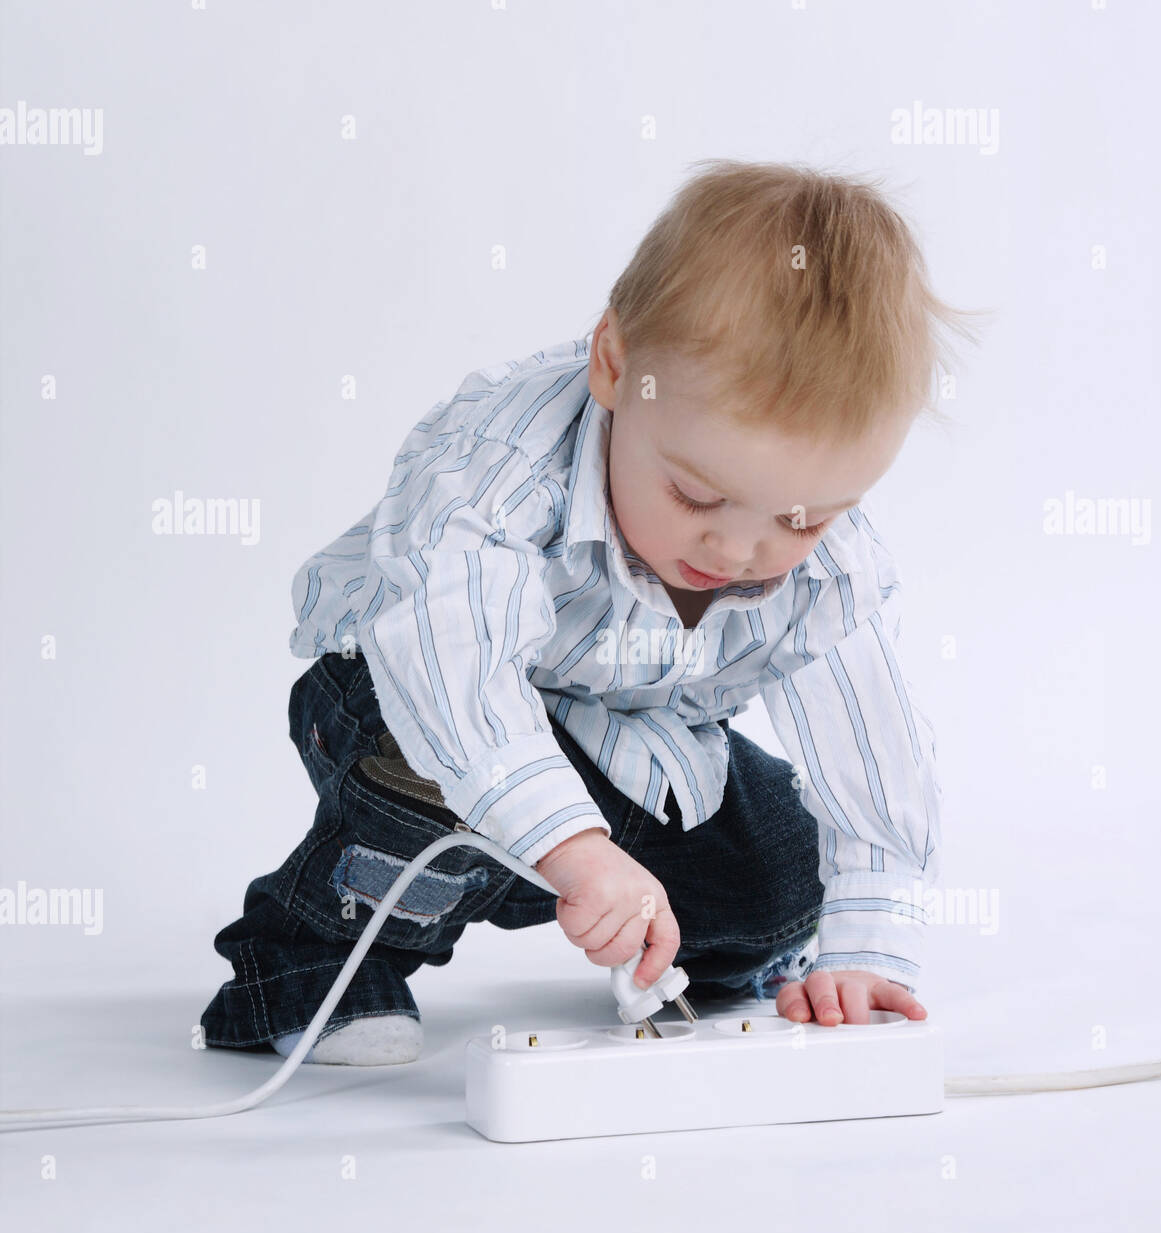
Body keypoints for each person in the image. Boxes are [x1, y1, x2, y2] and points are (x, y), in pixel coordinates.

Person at [198, 158, 975, 1065]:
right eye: (694, 495)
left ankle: (692, 949)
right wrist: (572, 849)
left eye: (800, 518)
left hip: (633, 749)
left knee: (785, 864)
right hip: (412, 707)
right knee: (417, 782)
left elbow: (870, 749)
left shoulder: (825, 561)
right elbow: (454, 667)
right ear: (615, 364)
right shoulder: (495, 467)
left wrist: (866, 949)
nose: (738, 552)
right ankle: (304, 968)